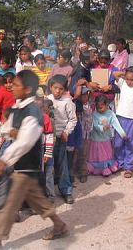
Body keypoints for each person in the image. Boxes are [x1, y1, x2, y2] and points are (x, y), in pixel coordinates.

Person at [0, 70, 68, 247]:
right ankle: (59, 225)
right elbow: (6, 128)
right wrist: (11, 131)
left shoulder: (33, 112)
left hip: (25, 165)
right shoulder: (19, 106)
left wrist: (5, 159)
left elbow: (25, 142)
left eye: (16, 85)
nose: (11, 86)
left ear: (27, 89)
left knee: (7, 204)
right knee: (37, 200)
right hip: (21, 164)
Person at [47, 75, 77, 204]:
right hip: (48, 138)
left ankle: (66, 190)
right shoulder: (46, 99)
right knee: (48, 165)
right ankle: (47, 192)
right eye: (55, 88)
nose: (57, 91)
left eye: (61, 89)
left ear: (65, 89)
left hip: (60, 137)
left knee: (62, 163)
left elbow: (73, 119)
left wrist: (66, 131)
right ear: (50, 88)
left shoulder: (68, 102)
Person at [87, 95, 126, 176]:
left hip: (106, 139)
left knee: (106, 154)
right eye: (98, 108)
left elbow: (116, 124)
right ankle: (99, 168)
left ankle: (106, 167)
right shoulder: (94, 114)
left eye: (101, 107)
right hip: (96, 140)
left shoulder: (111, 114)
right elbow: (95, 125)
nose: (99, 110)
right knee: (98, 155)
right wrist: (102, 128)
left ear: (107, 105)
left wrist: (122, 134)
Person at [35, 93, 55, 201]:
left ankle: (49, 195)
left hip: (42, 149)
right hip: (31, 150)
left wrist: (47, 152)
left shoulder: (45, 118)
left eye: (39, 100)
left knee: (47, 174)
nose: (36, 102)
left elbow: (49, 136)